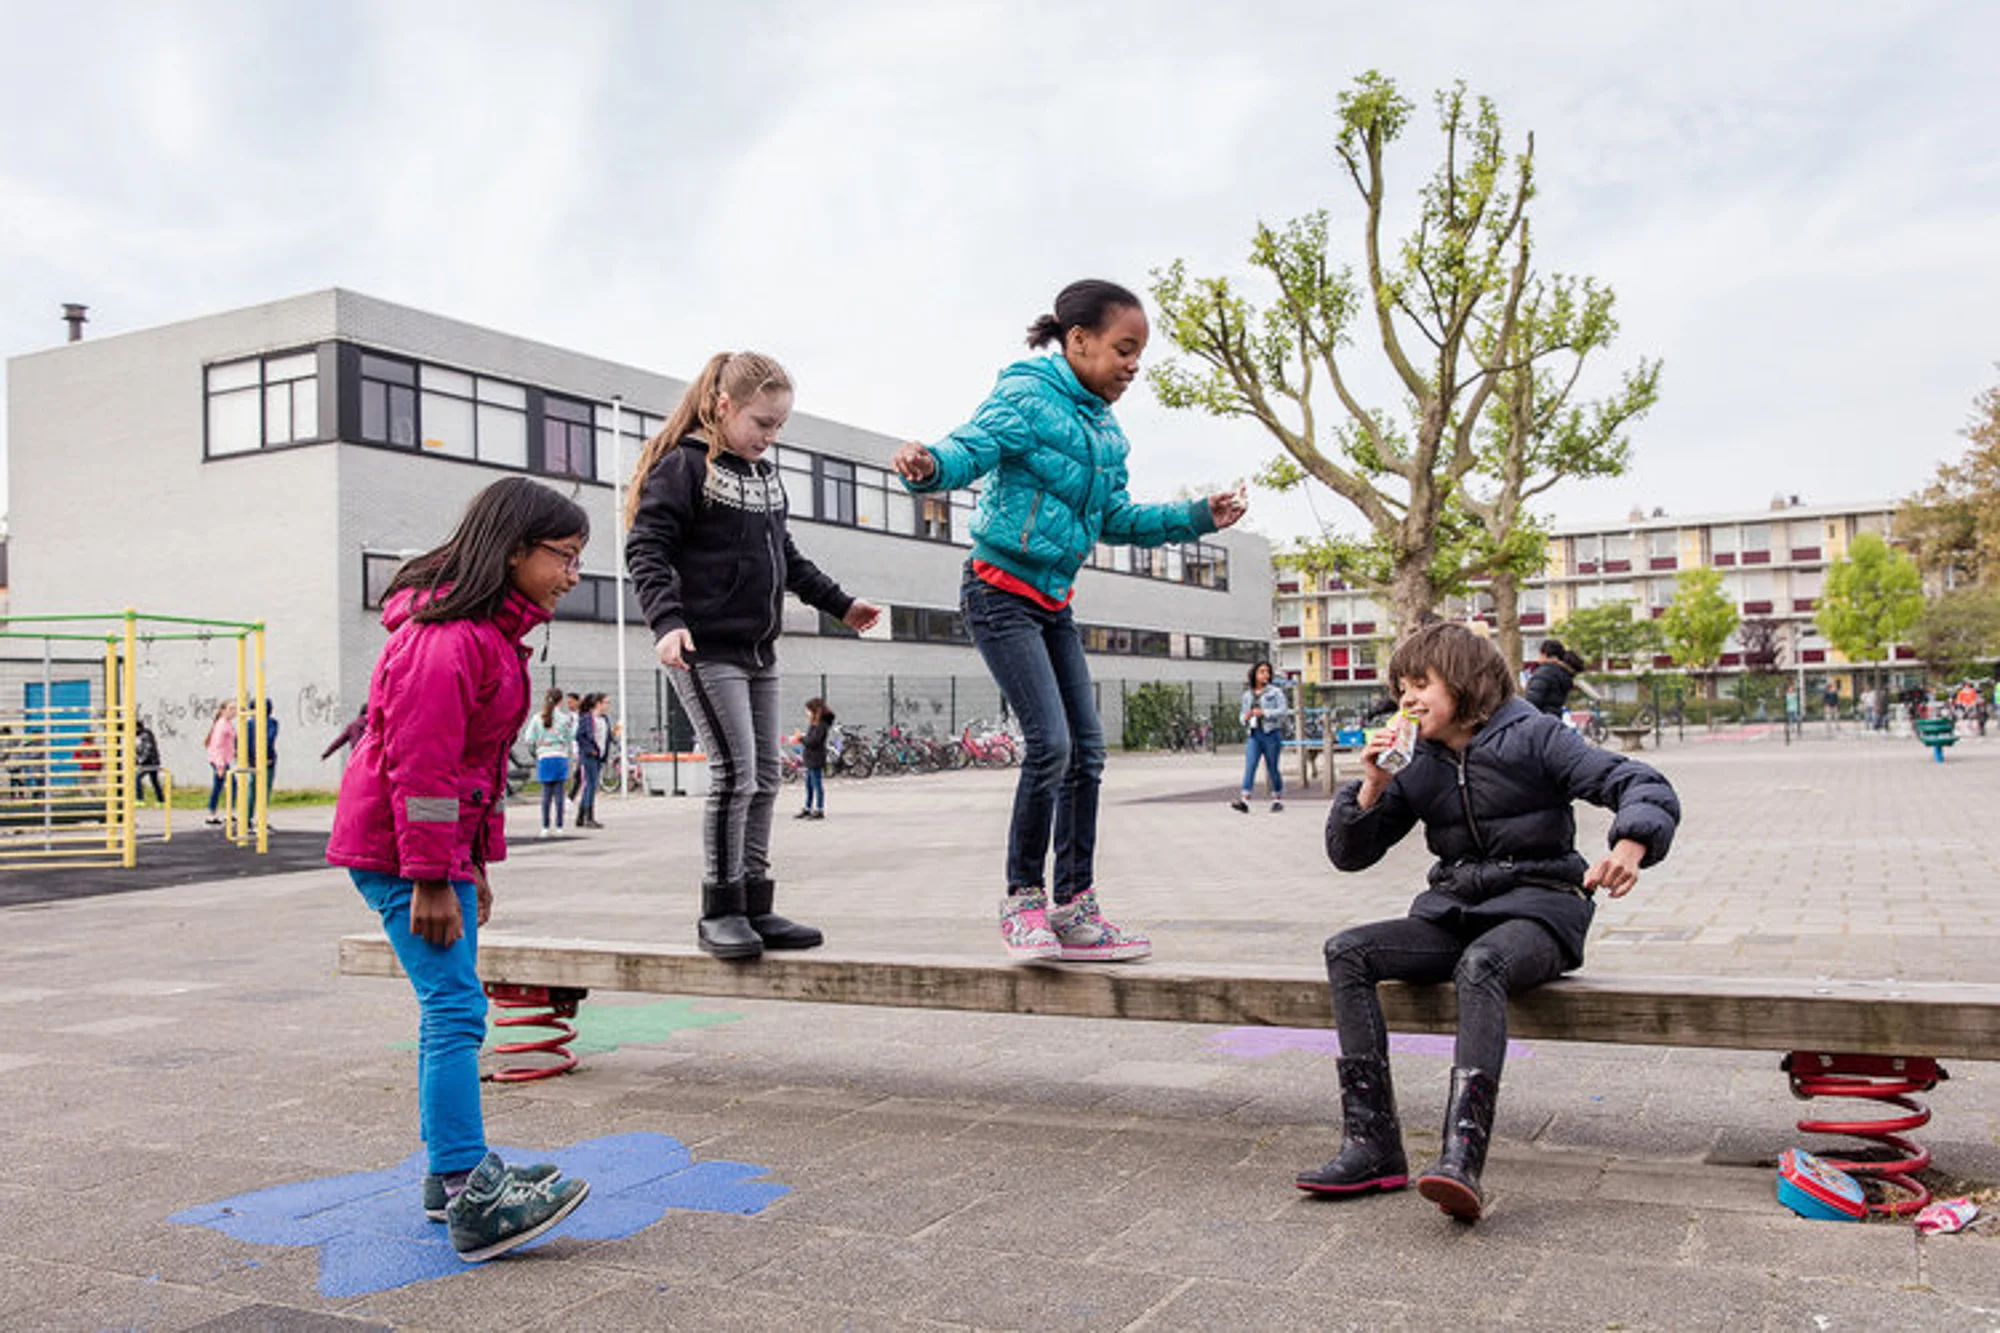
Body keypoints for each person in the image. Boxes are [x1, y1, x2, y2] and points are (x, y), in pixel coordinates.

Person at [892, 279, 1249, 962]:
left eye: (1139, 356)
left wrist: (1197, 516)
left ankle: (1076, 907)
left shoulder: (1107, 434)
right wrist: (927, 465)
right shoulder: (1026, 395)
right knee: (1050, 745)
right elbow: (968, 449)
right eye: (1123, 349)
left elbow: (1117, 518)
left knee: (1087, 750)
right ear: (1078, 340)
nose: (1132, 367)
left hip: (1053, 602)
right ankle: (1022, 902)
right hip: (998, 591)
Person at [1296, 622, 1679, 1222]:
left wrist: (1631, 845)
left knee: (1482, 965)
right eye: (1401, 688)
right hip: (1456, 911)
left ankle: (1461, 1159)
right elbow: (1350, 855)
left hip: (1542, 909)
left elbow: (1637, 781)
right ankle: (1372, 1146)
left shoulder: (1534, 734)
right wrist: (1372, 785)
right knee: (1348, 950)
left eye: (1420, 684)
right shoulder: (1414, 758)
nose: (1408, 699)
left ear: (1464, 682)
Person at [324, 475, 591, 1261]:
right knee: (455, 1007)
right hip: (399, 849)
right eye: (565, 555)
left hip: (430, 851)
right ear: (513, 550)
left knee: (451, 1005)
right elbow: (425, 767)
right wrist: (434, 876)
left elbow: (480, 767)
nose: (573, 573)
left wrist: (473, 863)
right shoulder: (449, 640)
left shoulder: (491, 634)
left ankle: (450, 1179)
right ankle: (468, 1189)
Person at [625, 350, 882, 960]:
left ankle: (755, 904)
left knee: (766, 777)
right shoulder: (683, 467)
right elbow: (647, 549)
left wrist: (841, 605)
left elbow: (786, 558)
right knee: (734, 774)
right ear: (723, 407)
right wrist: (667, 622)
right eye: (762, 423)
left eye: (779, 426)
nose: (770, 436)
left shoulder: (763, 478)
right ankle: (719, 909)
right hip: (705, 649)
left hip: (759, 651)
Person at [1232, 661, 1289, 814]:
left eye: (1267, 672)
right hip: (1254, 734)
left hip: (1271, 734)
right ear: (1254, 674)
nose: (1265, 675)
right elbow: (1242, 714)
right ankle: (1245, 800)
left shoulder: (1275, 692)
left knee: (1272, 768)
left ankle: (1277, 799)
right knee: (1250, 766)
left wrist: (1265, 713)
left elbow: (1283, 711)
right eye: (1262, 672)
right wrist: (1245, 717)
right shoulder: (1247, 695)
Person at [518, 689, 574, 838]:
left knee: (546, 795)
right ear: (560, 701)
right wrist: (567, 751)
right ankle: (559, 827)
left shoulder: (537, 718)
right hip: (560, 756)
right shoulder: (565, 719)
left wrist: (536, 751)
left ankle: (545, 827)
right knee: (559, 795)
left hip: (544, 756)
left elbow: (529, 739)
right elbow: (570, 738)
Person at [573, 693, 609, 829]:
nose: (607, 706)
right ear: (598, 704)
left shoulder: (604, 719)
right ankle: (589, 816)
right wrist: (590, 749)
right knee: (591, 785)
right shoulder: (587, 718)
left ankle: (581, 816)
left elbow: (603, 736)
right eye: (606, 702)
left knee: (591, 784)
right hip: (590, 756)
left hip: (599, 756)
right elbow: (579, 736)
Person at [1522, 638, 1584, 717]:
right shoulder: (1563, 674)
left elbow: (1532, 700)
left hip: (1540, 718)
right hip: (1554, 718)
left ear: (1545, 654)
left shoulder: (1544, 672)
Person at [796, 697, 832, 820]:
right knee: (809, 785)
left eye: (808, 710)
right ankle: (808, 807)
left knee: (817, 784)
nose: (807, 713)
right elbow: (810, 739)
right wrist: (803, 737)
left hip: (816, 758)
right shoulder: (814, 724)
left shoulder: (821, 725)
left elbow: (813, 741)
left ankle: (819, 809)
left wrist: (800, 738)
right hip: (810, 757)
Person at [203, 701, 236, 826]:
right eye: (231, 708)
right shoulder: (222, 725)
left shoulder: (227, 724)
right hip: (219, 760)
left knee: (221, 786)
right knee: (228, 785)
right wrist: (220, 765)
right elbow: (218, 745)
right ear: (223, 710)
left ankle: (217, 813)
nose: (234, 711)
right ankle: (216, 813)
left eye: (235, 709)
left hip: (223, 759)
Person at [134, 717, 165, 804]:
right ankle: (161, 800)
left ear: (138, 727)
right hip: (151, 761)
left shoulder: (145, 735)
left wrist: (140, 761)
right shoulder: (141, 735)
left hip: (150, 762)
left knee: (137, 778)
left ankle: (139, 799)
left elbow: (147, 750)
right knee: (154, 781)